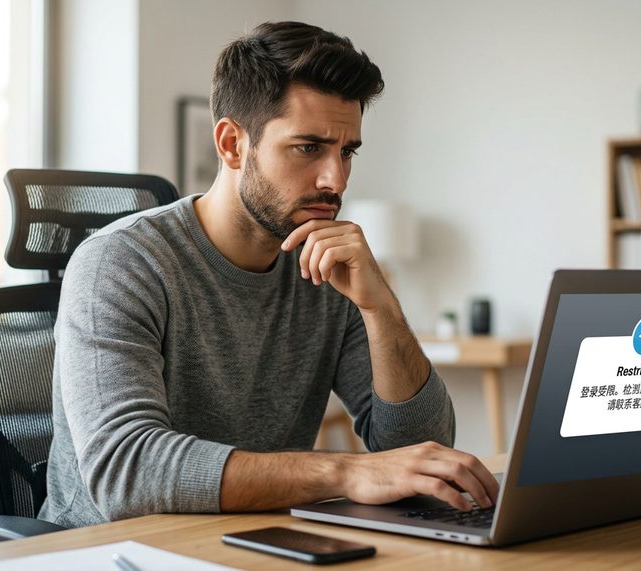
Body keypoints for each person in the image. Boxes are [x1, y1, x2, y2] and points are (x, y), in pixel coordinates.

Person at [40, 21, 499, 528]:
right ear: (232, 144)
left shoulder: (326, 266)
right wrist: (345, 473)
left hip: (258, 538)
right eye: (309, 148)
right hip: (112, 549)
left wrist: (380, 307)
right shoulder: (121, 263)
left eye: (347, 151)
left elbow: (419, 452)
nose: (336, 180)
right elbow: (125, 473)